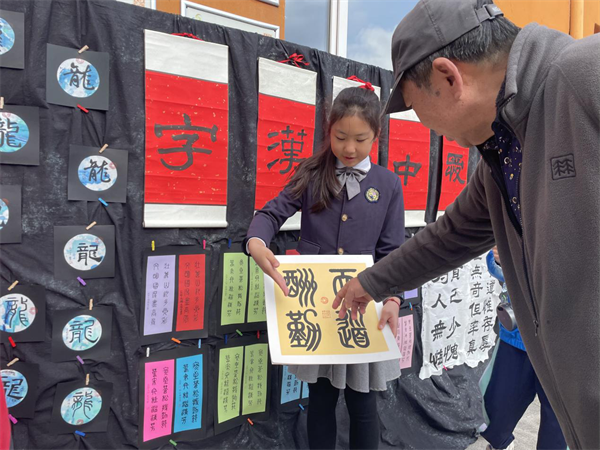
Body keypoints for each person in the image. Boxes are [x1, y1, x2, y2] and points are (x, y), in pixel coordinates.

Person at [332, 1, 600, 449]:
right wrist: (371, 283)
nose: (434, 132)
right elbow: (450, 236)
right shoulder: (502, 148)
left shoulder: (584, 74)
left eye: (418, 109)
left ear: (448, 77)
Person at [244, 86, 405, 450]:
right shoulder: (313, 173)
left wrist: (394, 299)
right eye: (340, 137)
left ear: (377, 136)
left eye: (360, 139)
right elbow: (271, 214)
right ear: (328, 131)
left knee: (363, 403)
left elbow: (393, 251)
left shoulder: (388, 184)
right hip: (317, 306)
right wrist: (256, 242)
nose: (349, 148)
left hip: (364, 305)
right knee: (320, 398)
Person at [482, 247, 567, 450]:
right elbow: (495, 263)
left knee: (559, 427)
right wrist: (500, 260)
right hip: (517, 335)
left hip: (565, 346)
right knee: (496, 411)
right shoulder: (519, 225)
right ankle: (501, 444)